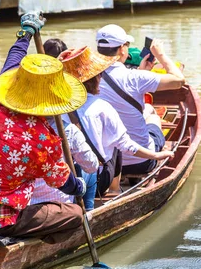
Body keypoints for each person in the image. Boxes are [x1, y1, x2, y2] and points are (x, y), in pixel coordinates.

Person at [0, 12, 87, 244]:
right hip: (2, 219)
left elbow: (13, 59)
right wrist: (79, 186)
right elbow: (61, 180)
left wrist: (25, 33)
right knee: (74, 214)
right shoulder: (44, 140)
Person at [59, 47, 174, 209]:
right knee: (115, 143)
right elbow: (126, 145)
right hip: (98, 181)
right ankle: (115, 189)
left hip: (66, 182)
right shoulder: (102, 107)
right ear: (97, 78)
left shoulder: (58, 108)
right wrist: (157, 155)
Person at [95, 24, 185, 176]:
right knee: (154, 118)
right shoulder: (135, 78)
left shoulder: (89, 79)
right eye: (127, 46)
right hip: (140, 163)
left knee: (145, 112)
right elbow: (179, 80)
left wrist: (142, 72)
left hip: (105, 164)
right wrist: (161, 54)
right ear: (123, 49)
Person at [30, 117, 98, 206]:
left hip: (27, 202)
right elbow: (91, 166)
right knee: (90, 173)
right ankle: (88, 210)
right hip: (61, 203)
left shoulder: (16, 130)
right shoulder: (69, 130)